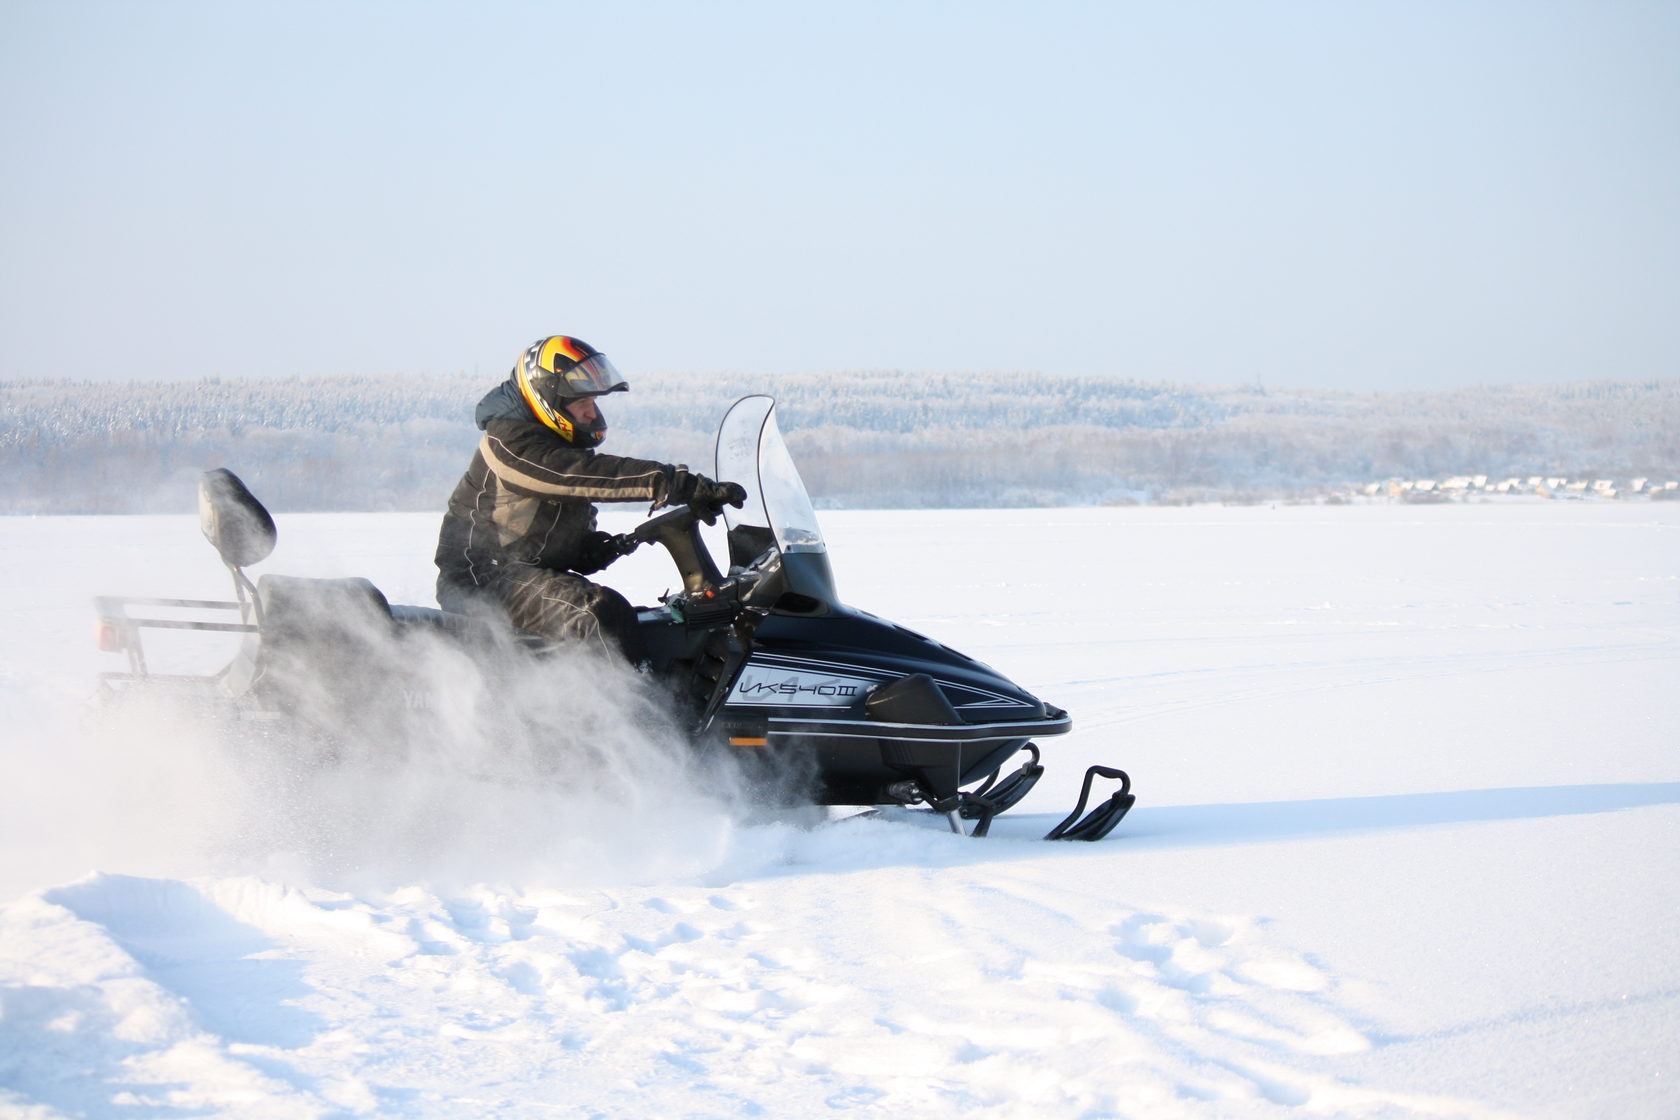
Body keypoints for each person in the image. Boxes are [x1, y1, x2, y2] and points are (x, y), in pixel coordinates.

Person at [434, 335, 744, 662]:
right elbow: (573, 475)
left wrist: (594, 549)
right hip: (481, 580)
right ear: (548, 397)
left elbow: (543, 531)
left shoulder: (554, 446)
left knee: (656, 627)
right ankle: (636, 711)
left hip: (518, 572)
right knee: (598, 616)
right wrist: (672, 483)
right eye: (582, 402)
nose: (590, 412)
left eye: (593, 402)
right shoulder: (510, 442)